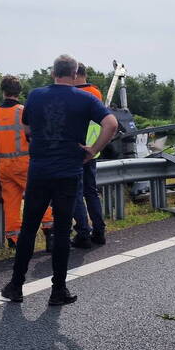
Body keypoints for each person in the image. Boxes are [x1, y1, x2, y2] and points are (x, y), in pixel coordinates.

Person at [0, 54, 119, 306]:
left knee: (28, 228)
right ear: (75, 74)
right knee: (63, 231)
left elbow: (27, 128)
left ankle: (16, 286)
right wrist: (92, 150)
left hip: (39, 171)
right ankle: (58, 291)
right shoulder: (86, 98)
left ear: (53, 72)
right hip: (68, 173)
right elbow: (111, 124)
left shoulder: (35, 96)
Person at [0, 75, 54, 250]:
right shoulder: (24, 111)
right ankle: (50, 232)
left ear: (3, 91)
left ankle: (14, 239)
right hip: (25, 164)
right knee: (40, 197)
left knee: (11, 202)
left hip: (4, 166)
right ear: (19, 91)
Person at [70, 61, 106, 249]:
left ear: (74, 74)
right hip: (93, 149)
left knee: (76, 193)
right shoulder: (96, 93)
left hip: (76, 150)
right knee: (91, 191)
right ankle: (99, 231)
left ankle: (83, 233)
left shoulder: (73, 94)